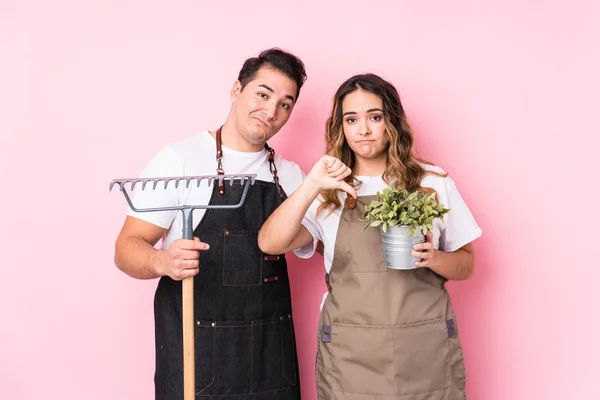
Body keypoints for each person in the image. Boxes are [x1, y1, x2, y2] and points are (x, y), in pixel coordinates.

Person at [258, 73, 482, 399]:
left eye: (374, 117)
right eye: (351, 119)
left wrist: (434, 258)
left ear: (391, 122)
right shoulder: (328, 192)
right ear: (341, 127)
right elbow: (269, 243)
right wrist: (311, 186)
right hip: (351, 355)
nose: (363, 130)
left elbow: (467, 263)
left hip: (423, 349)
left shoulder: (433, 182)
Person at [114, 48, 307, 400]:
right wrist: (162, 261)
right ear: (236, 90)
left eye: (285, 104)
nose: (271, 111)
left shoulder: (293, 177)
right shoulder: (181, 159)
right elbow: (126, 247)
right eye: (262, 94)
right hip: (196, 357)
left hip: (270, 360)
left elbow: (331, 243)